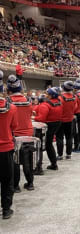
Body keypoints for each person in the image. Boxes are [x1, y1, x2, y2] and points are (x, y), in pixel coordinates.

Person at [6, 75, 35, 191]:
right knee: (28, 159)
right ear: (20, 89)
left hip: (14, 134)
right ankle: (30, 183)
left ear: (8, 90)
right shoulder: (28, 100)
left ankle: (16, 186)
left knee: (15, 161)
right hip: (28, 133)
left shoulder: (8, 101)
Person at [0, 78, 18, 219]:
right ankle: (6, 210)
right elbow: (14, 127)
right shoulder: (11, 108)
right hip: (5, 148)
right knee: (7, 180)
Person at [34, 87, 63, 170]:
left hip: (47, 126)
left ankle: (38, 167)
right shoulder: (59, 102)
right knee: (49, 145)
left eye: (47, 94)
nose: (45, 95)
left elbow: (41, 119)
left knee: (40, 145)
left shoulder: (45, 105)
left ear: (50, 96)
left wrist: (34, 117)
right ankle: (54, 164)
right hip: (56, 124)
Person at [56, 81, 77, 160]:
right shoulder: (74, 97)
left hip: (60, 120)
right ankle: (69, 154)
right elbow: (75, 108)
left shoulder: (60, 98)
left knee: (59, 138)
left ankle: (60, 155)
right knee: (69, 137)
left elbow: (58, 109)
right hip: (70, 119)